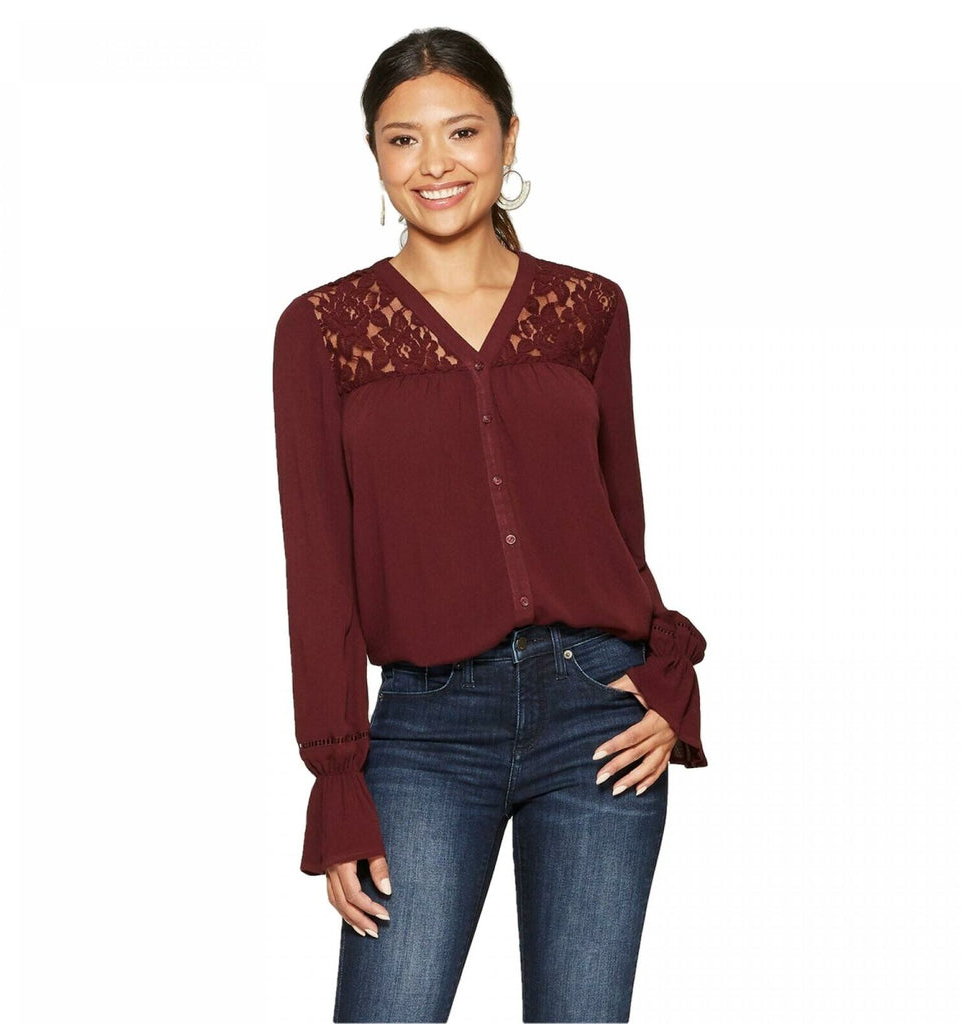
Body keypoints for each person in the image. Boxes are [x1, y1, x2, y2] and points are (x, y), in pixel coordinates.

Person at [271, 26, 708, 1024]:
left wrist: (664, 676)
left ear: (509, 137)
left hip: (597, 715)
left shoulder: (588, 308)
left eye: (462, 131)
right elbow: (318, 569)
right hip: (427, 732)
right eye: (403, 139)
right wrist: (338, 776)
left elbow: (618, 522)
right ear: (374, 155)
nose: (435, 163)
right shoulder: (324, 330)